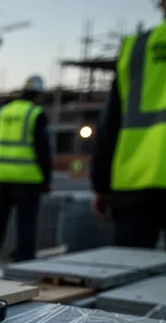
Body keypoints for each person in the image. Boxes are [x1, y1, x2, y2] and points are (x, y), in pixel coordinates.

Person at [91, 2, 166, 248]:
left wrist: (101, 185)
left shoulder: (136, 48)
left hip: (135, 184)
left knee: (127, 279)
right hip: (135, 188)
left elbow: (110, 122)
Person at [0, 76, 53, 271]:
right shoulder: (35, 113)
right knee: (25, 226)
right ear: (38, 95)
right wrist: (46, 179)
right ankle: (24, 268)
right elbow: (43, 149)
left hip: (0, 177)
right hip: (27, 179)